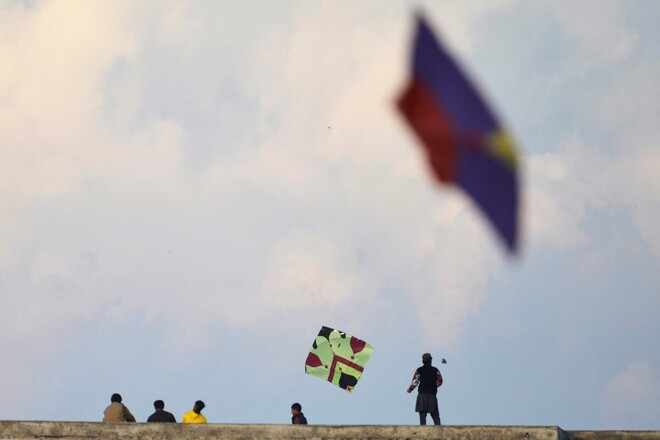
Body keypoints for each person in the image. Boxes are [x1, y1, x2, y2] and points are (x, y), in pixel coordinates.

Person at [406, 353, 443, 425]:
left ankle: (423, 429)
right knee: (435, 415)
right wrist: (434, 386)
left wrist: (410, 389)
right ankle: (439, 429)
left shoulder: (419, 370)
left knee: (422, 415)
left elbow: (415, 382)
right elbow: (440, 381)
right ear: (431, 360)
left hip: (422, 395)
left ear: (422, 360)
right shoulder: (435, 370)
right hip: (432, 394)